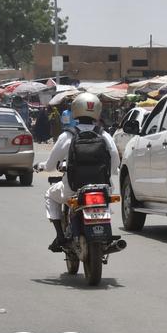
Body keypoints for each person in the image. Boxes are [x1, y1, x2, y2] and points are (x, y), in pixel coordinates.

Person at [36, 93, 119, 252]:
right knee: (106, 201)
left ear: (75, 110)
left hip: (73, 190)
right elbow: (115, 158)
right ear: (97, 111)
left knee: (50, 195)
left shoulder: (67, 135)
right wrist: (112, 171)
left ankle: (60, 236)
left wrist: (41, 166)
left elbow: (51, 165)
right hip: (103, 189)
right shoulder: (104, 134)